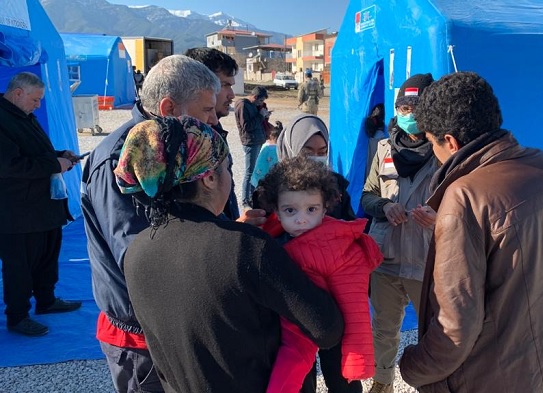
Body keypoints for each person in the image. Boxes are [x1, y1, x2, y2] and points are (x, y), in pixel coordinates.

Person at [115, 116, 344, 392]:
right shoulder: (245, 247)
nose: (230, 177)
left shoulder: (136, 251)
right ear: (210, 178)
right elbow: (326, 327)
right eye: (227, 167)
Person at [82, 55, 261, 393]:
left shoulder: (180, 146)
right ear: (168, 108)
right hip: (143, 333)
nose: (214, 118)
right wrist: (223, 244)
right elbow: (140, 257)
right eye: (207, 110)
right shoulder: (120, 161)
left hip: (180, 318)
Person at [398, 71, 543, 393]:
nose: (435, 154)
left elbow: (454, 327)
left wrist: (413, 366)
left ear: (451, 142)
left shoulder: (465, 196)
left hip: (489, 377)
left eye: (432, 143)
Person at [256, 156, 382, 393]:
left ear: (325, 208)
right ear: (277, 212)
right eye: (290, 210)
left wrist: (356, 359)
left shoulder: (336, 246)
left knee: (330, 380)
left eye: (311, 209)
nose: (301, 218)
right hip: (289, 324)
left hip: (325, 328)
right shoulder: (270, 238)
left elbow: (355, 305)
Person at [265, 114, 358, 393]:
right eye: (308, 151)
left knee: (342, 376)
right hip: (291, 295)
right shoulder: (271, 187)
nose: (316, 158)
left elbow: (352, 228)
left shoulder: (336, 186)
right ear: (292, 148)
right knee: (299, 375)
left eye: (322, 152)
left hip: (332, 295)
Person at [360, 73, 439, 393]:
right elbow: (366, 195)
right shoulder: (382, 148)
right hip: (386, 257)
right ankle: (382, 382)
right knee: (383, 328)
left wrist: (438, 217)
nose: (408, 114)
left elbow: (460, 202)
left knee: (434, 331)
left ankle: (435, 383)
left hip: (425, 258)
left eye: (416, 107)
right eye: (403, 107)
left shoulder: (442, 150)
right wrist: (382, 206)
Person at [0, 72, 82, 337]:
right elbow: (9, 165)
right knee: (19, 265)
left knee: (48, 255)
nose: (38, 105)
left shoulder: (22, 115)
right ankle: (18, 315)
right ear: (18, 93)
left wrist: (60, 155)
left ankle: (46, 300)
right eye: (35, 100)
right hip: (17, 211)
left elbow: (33, 152)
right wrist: (53, 164)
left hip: (42, 205)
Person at [184, 47, 265, 221]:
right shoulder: (165, 145)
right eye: (225, 85)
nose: (231, 94)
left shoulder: (215, 130)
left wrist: (234, 228)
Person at [234, 86, 269, 208]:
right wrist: (260, 115)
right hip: (250, 142)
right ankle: (245, 200)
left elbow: (257, 121)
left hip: (258, 140)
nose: (261, 103)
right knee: (249, 172)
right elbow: (246, 126)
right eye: (260, 101)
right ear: (254, 97)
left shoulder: (253, 105)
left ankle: (251, 197)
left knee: (255, 171)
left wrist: (265, 115)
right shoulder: (243, 105)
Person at [251, 122, 281, 190]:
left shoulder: (266, 147)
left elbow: (260, 162)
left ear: (271, 137)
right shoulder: (280, 149)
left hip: (263, 177)